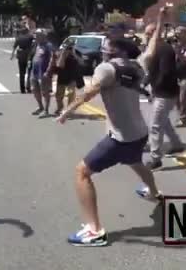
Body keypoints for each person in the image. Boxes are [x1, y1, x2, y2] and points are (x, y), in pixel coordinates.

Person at [56, 37, 162, 247]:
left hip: (121, 139)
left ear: (115, 52)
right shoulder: (137, 64)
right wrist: (160, 21)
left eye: (106, 48)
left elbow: (87, 94)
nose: (103, 51)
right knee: (135, 162)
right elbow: (151, 48)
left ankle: (94, 231)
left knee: (82, 172)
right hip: (140, 133)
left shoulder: (106, 69)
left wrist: (65, 112)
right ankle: (154, 193)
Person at [141, 7, 185, 170]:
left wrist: (155, 90)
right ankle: (176, 144)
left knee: (155, 125)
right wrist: (146, 83)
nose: (145, 37)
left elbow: (166, 73)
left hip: (165, 93)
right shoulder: (154, 49)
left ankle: (155, 158)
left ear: (154, 34)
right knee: (163, 121)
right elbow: (153, 71)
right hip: (163, 91)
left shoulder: (164, 49)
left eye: (147, 34)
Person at [50, 39, 81, 115]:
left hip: (71, 77)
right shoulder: (60, 53)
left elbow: (80, 62)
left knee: (71, 94)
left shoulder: (76, 53)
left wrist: (73, 53)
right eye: (68, 47)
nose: (69, 49)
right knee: (59, 95)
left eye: (71, 46)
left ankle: (69, 110)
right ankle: (60, 108)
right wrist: (63, 54)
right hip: (62, 76)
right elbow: (60, 65)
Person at [29, 29, 54, 117]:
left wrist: (48, 71)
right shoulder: (37, 44)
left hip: (43, 72)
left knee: (45, 92)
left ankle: (46, 110)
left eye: (39, 35)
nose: (36, 36)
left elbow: (52, 58)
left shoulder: (48, 45)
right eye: (36, 35)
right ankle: (40, 107)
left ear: (44, 36)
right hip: (35, 72)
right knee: (34, 90)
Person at [11, 19, 35, 94]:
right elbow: (34, 43)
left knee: (22, 73)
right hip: (29, 56)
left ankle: (22, 89)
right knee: (29, 72)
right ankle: (28, 87)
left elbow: (14, 47)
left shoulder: (19, 37)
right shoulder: (30, 36)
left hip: (21, 56)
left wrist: (12, 55)